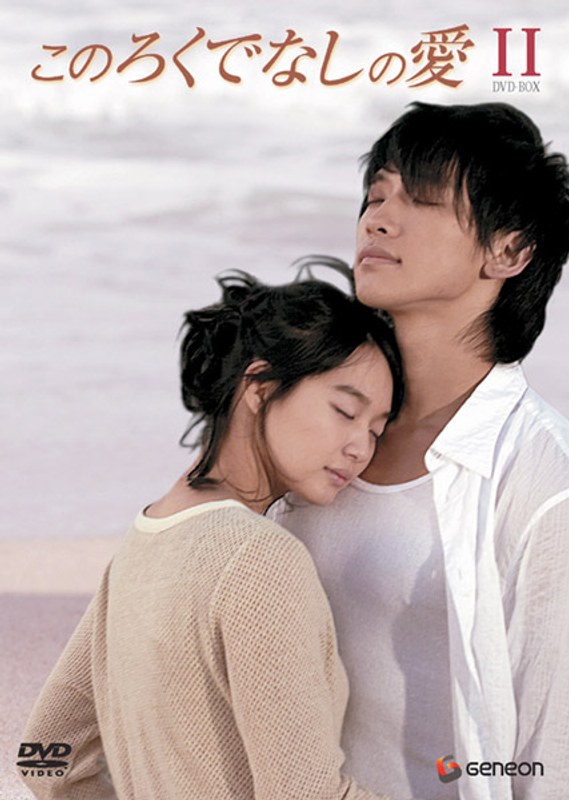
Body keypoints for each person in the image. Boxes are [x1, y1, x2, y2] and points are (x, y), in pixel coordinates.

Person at [269, 102, 569, 800]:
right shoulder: (311, 418)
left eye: (422, 199)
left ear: (509, 251)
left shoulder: (539, 479)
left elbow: (552, 748)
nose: (377, 220)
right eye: (376, 196)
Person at [20, 270, 406, 800]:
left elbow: (44, 755)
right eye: (345, 411)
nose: (360, 448)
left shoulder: (142, 542)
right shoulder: (259, 559)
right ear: (259, 386)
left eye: (376, 430)